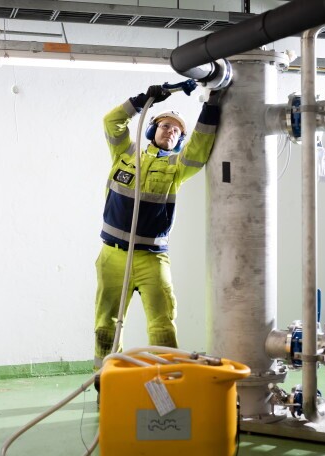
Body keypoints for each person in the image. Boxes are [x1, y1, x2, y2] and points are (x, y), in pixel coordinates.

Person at [94, 84, 223, 369]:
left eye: (177, 131)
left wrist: (211, 106)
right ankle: (106, 378)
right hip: (112, 256)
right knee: (106, 324)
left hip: (151, 259)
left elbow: (200, 147)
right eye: (165, 126)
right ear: (152, 129)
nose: (170, 132)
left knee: (162, 324)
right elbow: (111, 122)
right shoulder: (125, 154)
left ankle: (167, 379)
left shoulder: (177, 167)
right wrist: (142, 101)